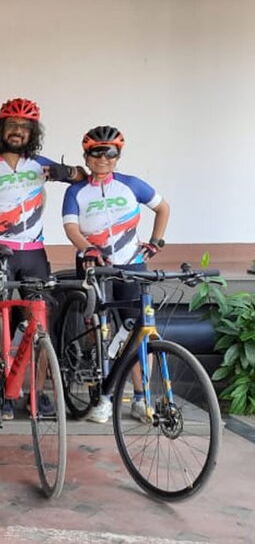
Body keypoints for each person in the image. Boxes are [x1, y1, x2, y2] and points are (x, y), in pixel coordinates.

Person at [0, 97, 82, 420]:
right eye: (11, 125)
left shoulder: (40, 165)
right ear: (1, 129)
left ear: (32, 133)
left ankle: (36, 394)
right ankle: (2, 390)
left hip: (34, 255)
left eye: (24, 127)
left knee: (40, 324)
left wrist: (65, 171)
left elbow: (83, 177)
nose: (17, 131)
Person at [62, 125, 169, 424]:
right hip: (96, 266)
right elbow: (71, 227)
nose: (103, 158)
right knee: (101, 331)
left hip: (132, 264)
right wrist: (88, 249)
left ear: (118, 155)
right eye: (96, 152)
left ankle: (140, 397)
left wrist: (156, 242)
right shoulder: (76, 191)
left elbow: (163, 208)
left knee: (138, 331)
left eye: (110, 153)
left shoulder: (131, 184)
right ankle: (104, 397)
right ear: (86, 156)